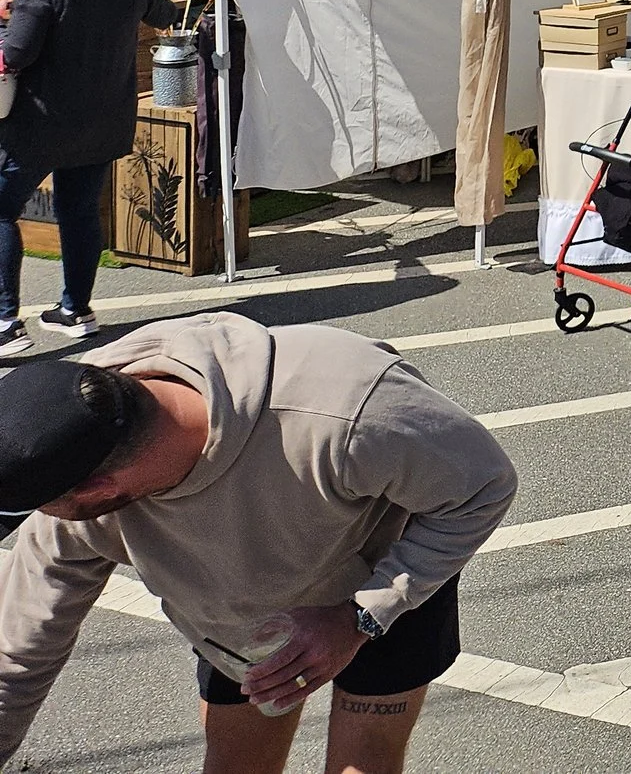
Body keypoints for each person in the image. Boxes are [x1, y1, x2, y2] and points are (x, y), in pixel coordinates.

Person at [0, 312, 518, 774]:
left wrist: (363, 613)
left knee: (364, 764)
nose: (39, 520)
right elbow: (16, 657)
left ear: (96, 491)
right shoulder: (65, 461)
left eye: (37, 509)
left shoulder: (345, 408)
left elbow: (483, 487)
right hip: (239, 610)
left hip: (383, 576)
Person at [1, 0, 181, 357]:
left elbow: (16, 55)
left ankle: (5, 323)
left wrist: (11, 19)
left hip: (40, 123)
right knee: (78, 212)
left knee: (1, 211)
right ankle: (75, 311)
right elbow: (164, 16)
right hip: (103, 121)